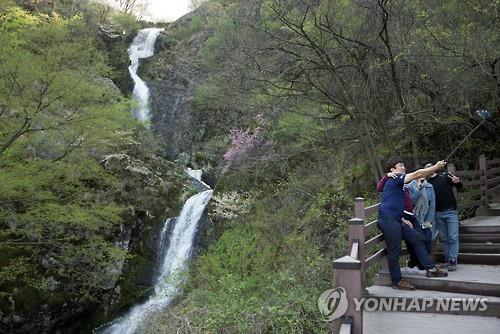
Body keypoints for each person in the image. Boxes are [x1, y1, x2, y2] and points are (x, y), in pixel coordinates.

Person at [378, 157, 448, 290]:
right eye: (400, 165)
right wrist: (436, 167)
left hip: (397, 219)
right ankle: (397, 281)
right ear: (392, 169)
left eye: (404, 165)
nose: (403, 167)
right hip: (388, 221)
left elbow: (392, 202)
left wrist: (402, 219)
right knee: (395, 250)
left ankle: (431, 269)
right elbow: (417, 174)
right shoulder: (395, 178)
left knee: (416, 238)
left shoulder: (397, 183)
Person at [425, 162, 463, 271]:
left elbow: (458, 186)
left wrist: (457, 182)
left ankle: (453, 260)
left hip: (450, 211)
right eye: (427, 168)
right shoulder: (426, 183)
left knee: (452, 237)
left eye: (431, 166)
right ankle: (448, 259)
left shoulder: (445, 176)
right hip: (437, 213)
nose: (430, 168)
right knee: (444, 238)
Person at [407, 176, 436, 255]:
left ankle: (425, 261)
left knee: (428, 240)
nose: (422, 177)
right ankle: (421, 263)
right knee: (417, 243)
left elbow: (432, 205)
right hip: (414, 219)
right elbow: (412, 202)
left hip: (425, 219)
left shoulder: (429, 186)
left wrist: (428, 220)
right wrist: (418, 188)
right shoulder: (409, 187)